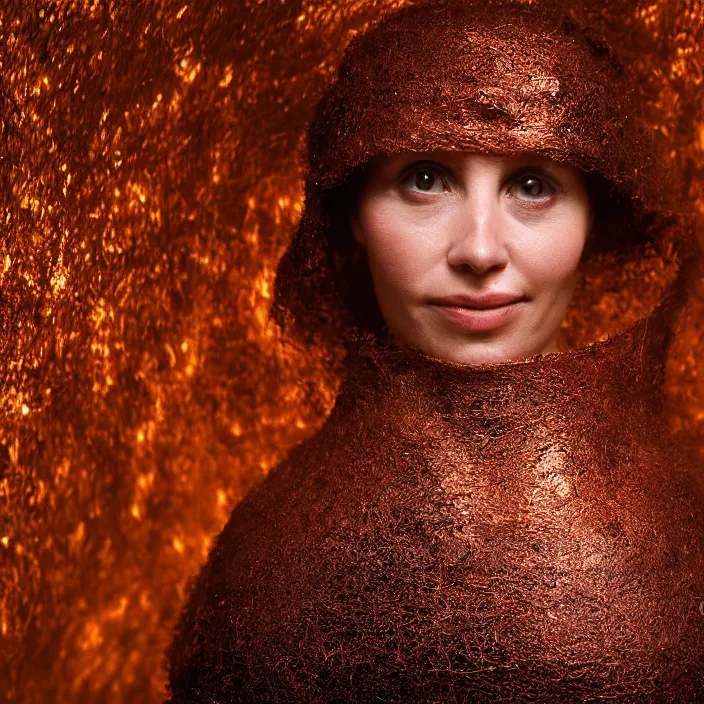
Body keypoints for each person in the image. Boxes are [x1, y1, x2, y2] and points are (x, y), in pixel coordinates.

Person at [165, 1, 704, 701]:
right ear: (354, 211)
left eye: (533, 184)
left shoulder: (685, 532)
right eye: (425, 177)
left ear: (593, 218)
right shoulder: (266, 577)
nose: (479, 250)